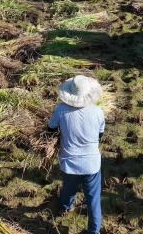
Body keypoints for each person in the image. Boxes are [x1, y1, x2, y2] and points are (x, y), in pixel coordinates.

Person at [48, 75, 105, 234]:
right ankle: (94, 231)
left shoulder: (61, 109)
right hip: (92, 163)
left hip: (70, 161)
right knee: (93, 200)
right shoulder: (97, 111)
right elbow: (100, 134)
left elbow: (50, 128)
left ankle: (66, 206)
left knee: (69, 186)